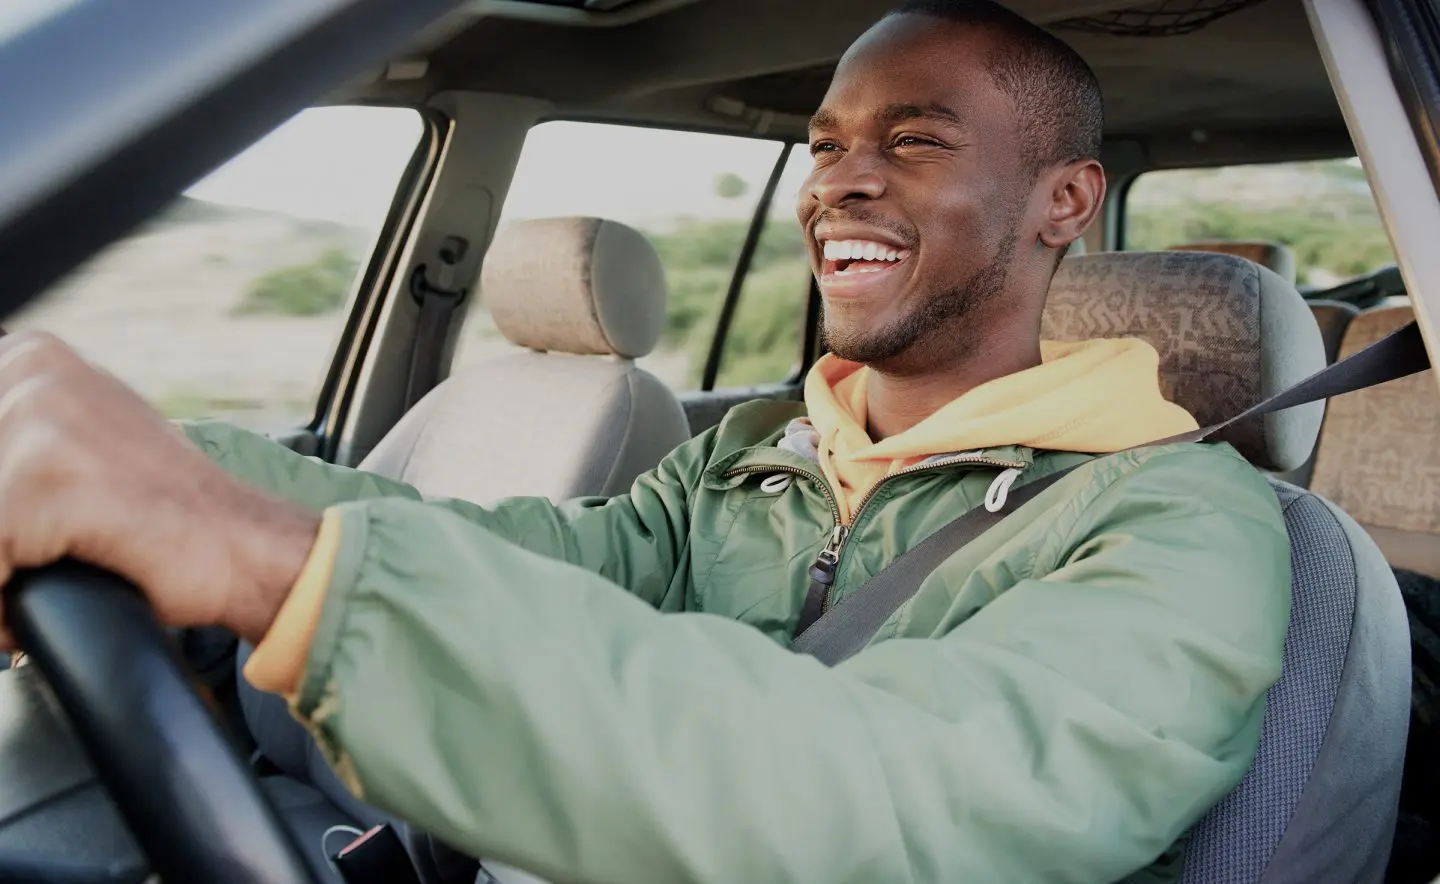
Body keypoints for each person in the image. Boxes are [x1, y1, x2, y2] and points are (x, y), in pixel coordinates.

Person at [0, 1, 1291, 881]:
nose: (839, 179)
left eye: (914, 142)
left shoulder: (1177, 528)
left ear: (1068, 200)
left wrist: (275, 569)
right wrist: (170, 467)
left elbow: (897, 804)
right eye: (828, 145)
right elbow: (524, 559)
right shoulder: (757, 459)